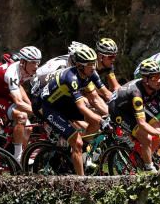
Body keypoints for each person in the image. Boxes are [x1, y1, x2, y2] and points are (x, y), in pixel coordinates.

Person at [38, 44, 109, 176]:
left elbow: (105, 95)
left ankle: (80, 153)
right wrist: (101, 120)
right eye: (90, 64)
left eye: (94, 63)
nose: (93, 67)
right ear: (80, 66)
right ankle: (81, 183)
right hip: (48, 107)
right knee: (77, 141)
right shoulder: (71, 77)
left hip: (63, 103)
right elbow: (81, 107)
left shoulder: (91, 73)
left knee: (94, 122)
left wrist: (115, 111)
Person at [109, 59, 160, 171]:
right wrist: (156, 133)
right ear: (145, 79)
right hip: (118, 110)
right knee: (147, 138)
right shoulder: (136, 93)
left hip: (134, 107)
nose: (159, 80)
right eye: (154, 78)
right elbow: (141, 123)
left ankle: (143, 156)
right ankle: (149, 168)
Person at [0, 46, 41, 159]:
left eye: (38, 62)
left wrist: (31, 105)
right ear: (23, 62)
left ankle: (24, 157)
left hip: (4, 94)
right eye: (33, 62)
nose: (36, 66)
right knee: (21, 116)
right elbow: (18, 102)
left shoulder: (27, 69)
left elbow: (19, 87)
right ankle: (18, 157)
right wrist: (39, 111)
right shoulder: (12, 72)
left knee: (29, 127)